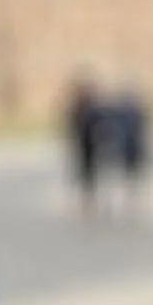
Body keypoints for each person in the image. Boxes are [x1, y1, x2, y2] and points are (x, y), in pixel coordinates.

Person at [106, 84, 153, 207]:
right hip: (124, 147)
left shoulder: (135, 113)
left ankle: (132, 195)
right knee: (123, 172)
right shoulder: (120, 113)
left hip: (132, 147)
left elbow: (143, 132)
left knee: (132, 173)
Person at [63, 73, 103, 212]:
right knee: (83, 171)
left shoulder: (92, 107)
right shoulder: (78, 107)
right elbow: (71, 125)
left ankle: (90, 197)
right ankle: (85, 197)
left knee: (90, 171)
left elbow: (100, 124)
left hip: (92, 143)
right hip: (82, 143)